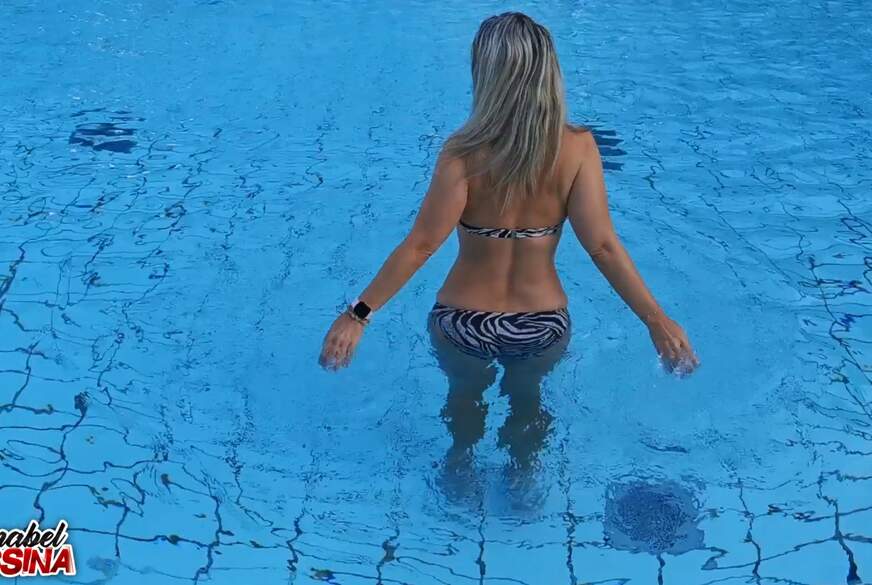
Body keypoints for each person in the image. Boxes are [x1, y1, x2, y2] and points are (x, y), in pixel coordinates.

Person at [319, 12, 699, 474]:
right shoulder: (578, 148)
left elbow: (420, 246)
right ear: (548, 72)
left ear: (486, 75)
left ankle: (460, 465)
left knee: (463, 401)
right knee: (528, 404)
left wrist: (358, 315)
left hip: (461, 320)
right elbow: (602, 246)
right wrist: (656, 320)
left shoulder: (462, 151)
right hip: (542, 323)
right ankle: (523, 478)